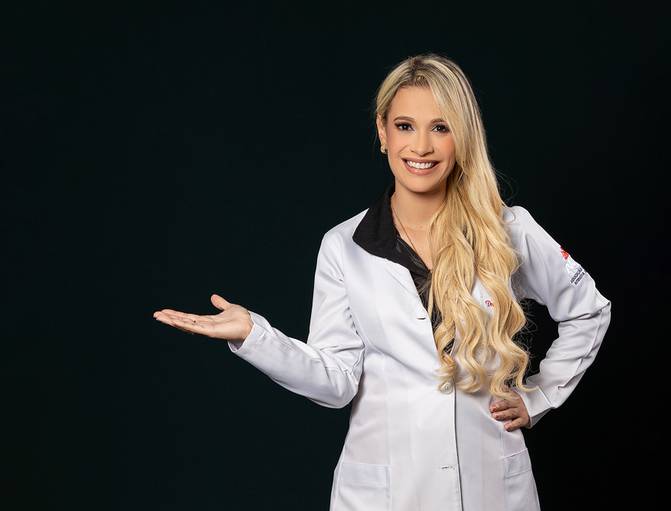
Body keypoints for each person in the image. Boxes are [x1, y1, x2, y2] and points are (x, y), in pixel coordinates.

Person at [153, 53, 612, 511]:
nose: (421, 147)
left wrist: (539, 396)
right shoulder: (344, 246)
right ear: (382, 132)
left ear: (463, 137)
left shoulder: (507, 230)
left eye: (441, 127)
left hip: (490, 488)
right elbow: (336, 382)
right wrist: (255, 335)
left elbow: (589, 310)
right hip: (384, 495)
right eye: (405, 126)